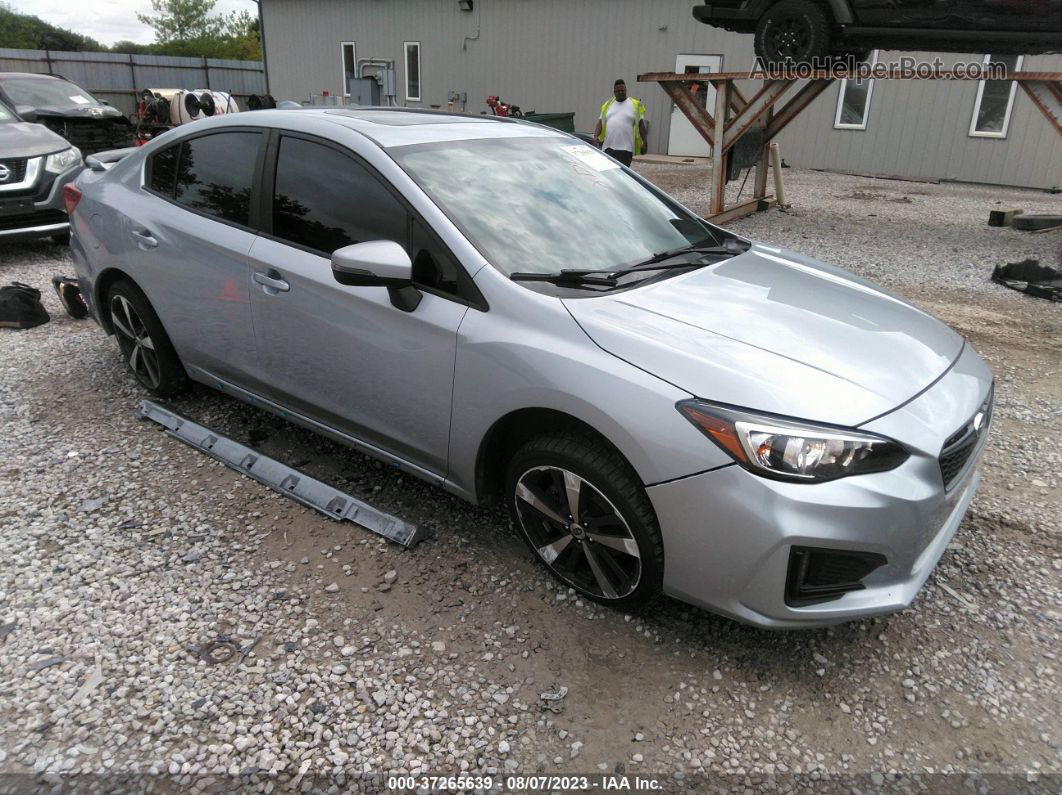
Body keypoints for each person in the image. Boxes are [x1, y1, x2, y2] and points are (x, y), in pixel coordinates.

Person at [594, 79, 648, 167]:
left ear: (626, 90)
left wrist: (645, 143)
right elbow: (600, 122)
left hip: (626, 149)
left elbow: (641, 125)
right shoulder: (607, 105)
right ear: (614, 92)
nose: (620, 92)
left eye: (622, 90)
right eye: (618, 91)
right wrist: (595, 136)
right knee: (609, 173)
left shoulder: (635, 105)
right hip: (608, 147)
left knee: (622, 175)